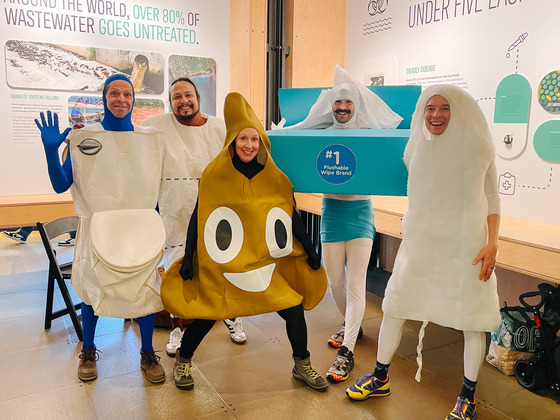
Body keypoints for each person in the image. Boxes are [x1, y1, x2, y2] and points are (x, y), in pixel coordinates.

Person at [346, 84, 501, 420]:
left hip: (466, 248)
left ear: (457, 111)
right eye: (430, 108)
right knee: (395, 307)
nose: (436, 115)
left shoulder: (478, 148)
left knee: (472, 321)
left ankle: (468, 397)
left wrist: (493, 242)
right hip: (420, 246)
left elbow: (493, 198)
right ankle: (380, 376)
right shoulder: (417, 147)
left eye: (444, 108)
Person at [161, 92, 329, 392]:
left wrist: (310, 248)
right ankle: (183, 360)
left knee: (293, 309)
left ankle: (301, 363)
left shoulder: (275, 176)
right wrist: (189, 258)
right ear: (232, 142)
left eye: (255, 139)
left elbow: (289, 215)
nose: (249, 145)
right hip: (225, 265)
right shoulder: (214, 174)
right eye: (243, 139)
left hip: (266, 262)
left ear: (262, 143)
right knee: (206, 314)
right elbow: (199, 219)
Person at [35, 74, 167, 384]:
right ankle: (89, 350)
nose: (121, 99)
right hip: (97, 229)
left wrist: (157, 227)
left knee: (144, 290)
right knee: (94, 292)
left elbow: (155, 189)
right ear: (103, 98)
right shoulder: (84, 138)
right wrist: (51, 152)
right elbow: (59, 185)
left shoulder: (148, 140)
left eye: (127, 94)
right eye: (114, 94)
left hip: (138, 231)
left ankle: (147, 352)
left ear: (133, 99)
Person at [276, 65, 402, 383]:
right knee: (336, 282)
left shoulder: (369, 136)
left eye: (348, 104)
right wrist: (276, 133)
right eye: (338, 103)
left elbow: (393, 152)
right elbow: (295, 139)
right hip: (330, 213)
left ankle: (346, 351)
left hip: (360, 214)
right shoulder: (321, 135)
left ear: (356, 106)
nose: (343, 108)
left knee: (356, 283)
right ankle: (350, 326)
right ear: (331, 106)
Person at [143, 77, 247, 356]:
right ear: (170, 102)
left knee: (223, 265)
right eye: (176, 97)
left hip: (216, 210)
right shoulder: (156, 126)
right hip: (175, 209)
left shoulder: (219, 127)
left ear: (198, 98)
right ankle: (178, 327)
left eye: (188, 95)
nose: (183, 101)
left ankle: (232, 316)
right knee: (178, 270)